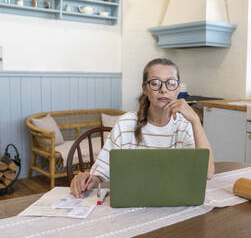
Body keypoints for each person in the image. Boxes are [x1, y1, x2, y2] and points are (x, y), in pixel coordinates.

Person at [70, 58, 215, 198]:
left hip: (173, 203)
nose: (163, 89)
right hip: (133, 205)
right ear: (144, 89)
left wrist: (195, 121)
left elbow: (207, 173)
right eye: (155, 83)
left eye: (171, 83)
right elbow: (99, 175)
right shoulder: (125, 124)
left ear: (177, 89)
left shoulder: (185, 125)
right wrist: (88, 179)